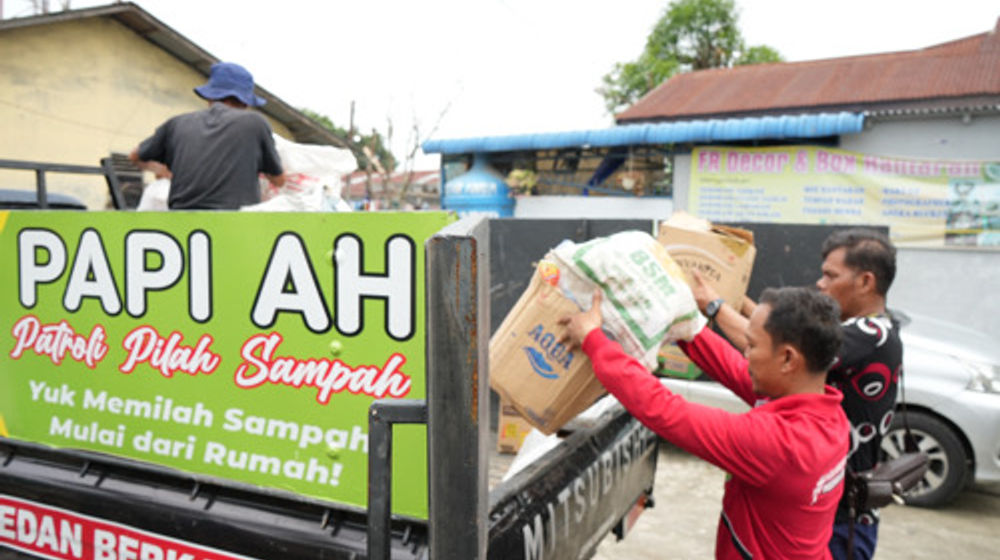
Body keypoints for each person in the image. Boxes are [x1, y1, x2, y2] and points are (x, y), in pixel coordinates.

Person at [560, 286, 849, 559]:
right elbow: (734, 369)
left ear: (787, 359)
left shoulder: (780, 444)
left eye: (751, 345)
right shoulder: (828, 414)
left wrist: (594, 340)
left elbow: (664, 410)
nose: (746, 354)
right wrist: (683, 325)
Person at [690, 228, 902, 560]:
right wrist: (737, 299)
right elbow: (776, 332)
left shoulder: (869, 334)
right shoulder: (878, 329)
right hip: (830, 510)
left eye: (831, 275)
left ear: (865, 282)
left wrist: (715, 307)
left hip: (841, 520)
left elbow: (777, 346)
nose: (820, 283)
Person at [130, 61, 285, 209]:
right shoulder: (255, 123)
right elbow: (278, 180)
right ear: (246, 102)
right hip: (236, 222)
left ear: (210, 97)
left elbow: (135, 156)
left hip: (182, 220)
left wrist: (163, 171)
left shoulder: (176, 124)